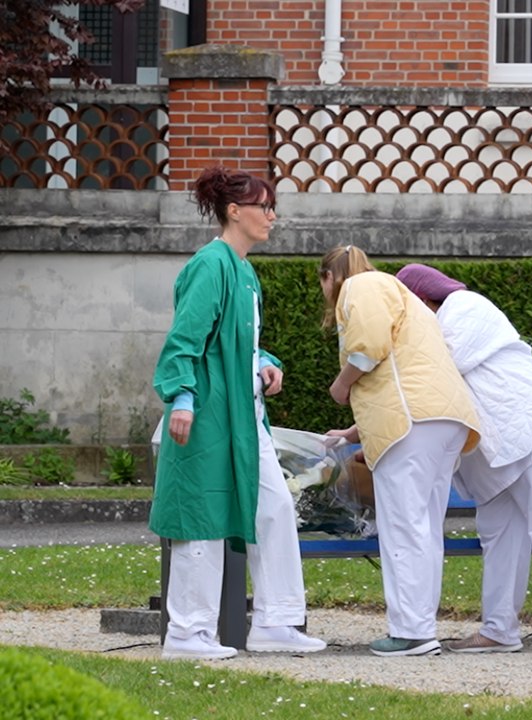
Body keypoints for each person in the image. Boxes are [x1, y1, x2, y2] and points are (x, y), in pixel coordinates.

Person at [152, 165, 326, 660]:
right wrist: (182, 399)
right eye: (264, 206)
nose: (272, 216)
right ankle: (187, 634)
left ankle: (277, 622)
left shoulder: (244, 271)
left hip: (246, 420)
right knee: (202, 518)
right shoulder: (211, 265)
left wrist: (266, 362)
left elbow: (235, 343)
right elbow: (184, 341)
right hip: (208, 415)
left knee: (273, 509)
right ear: (235, 211)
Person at [395, 263, 532, 654]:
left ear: (421, 298)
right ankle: (499, 627)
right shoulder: (444, 316)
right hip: (493, 451)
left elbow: (437, 368)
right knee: (499, 536)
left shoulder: (465, 305)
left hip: (525, 428)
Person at [320, 246, 481, 657]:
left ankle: (411, 631)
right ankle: (421, 625)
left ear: (330, 276)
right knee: (424, 526)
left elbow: (369, 348)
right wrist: (356, 431)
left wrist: (341, 385)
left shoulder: (361, 285)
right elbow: (405, 369)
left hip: (412, 424)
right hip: (442, 418)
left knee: (403, 525)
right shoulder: (401, 294)